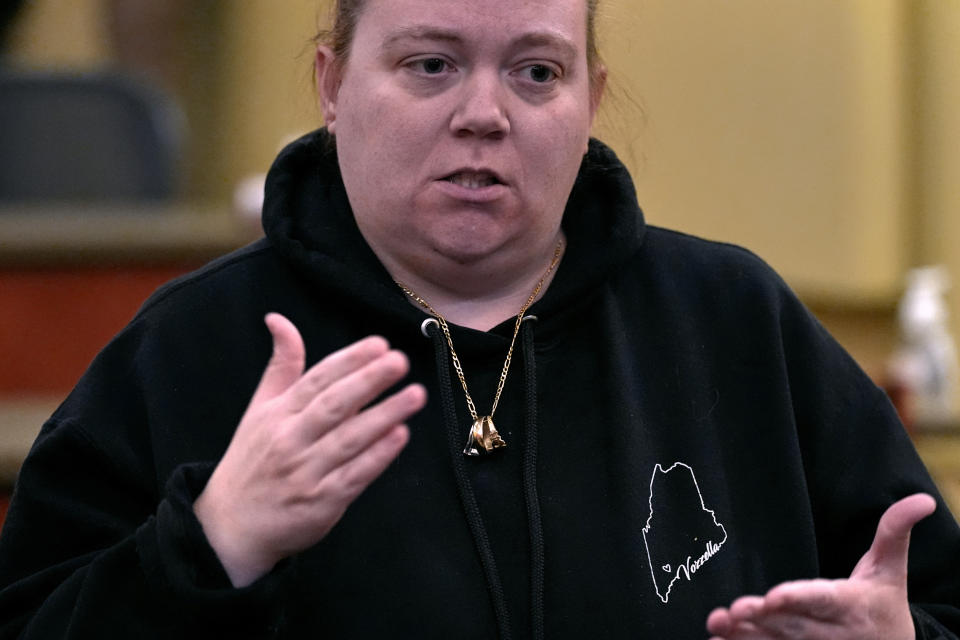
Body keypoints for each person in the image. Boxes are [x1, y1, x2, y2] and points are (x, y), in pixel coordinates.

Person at [0, 0, 958, 637]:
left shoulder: (735, 323)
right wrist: (208, 546)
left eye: (537, 73)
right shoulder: (194, 347)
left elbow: (934, 599)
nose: (484, 114)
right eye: (430, 64)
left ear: (593, 101)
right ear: (332, 87)